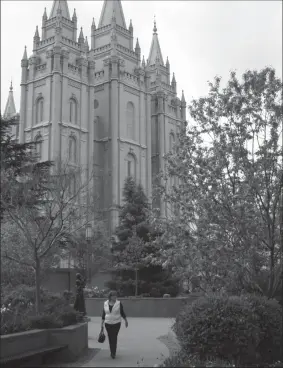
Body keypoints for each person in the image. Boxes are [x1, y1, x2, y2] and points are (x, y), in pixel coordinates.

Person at [101, 290, 128, 359]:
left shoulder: (118, 303)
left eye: (116, 296)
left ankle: (113, 353)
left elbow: (122, 312)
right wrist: (102, 323)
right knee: (110, 337)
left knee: (114, 337)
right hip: (107, 323)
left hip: (116, 323)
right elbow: (104, 314)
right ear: (110, 297)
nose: (115, 297)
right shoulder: (105, 303)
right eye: (113, 296)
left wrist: (125, 320)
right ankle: (112, 351)